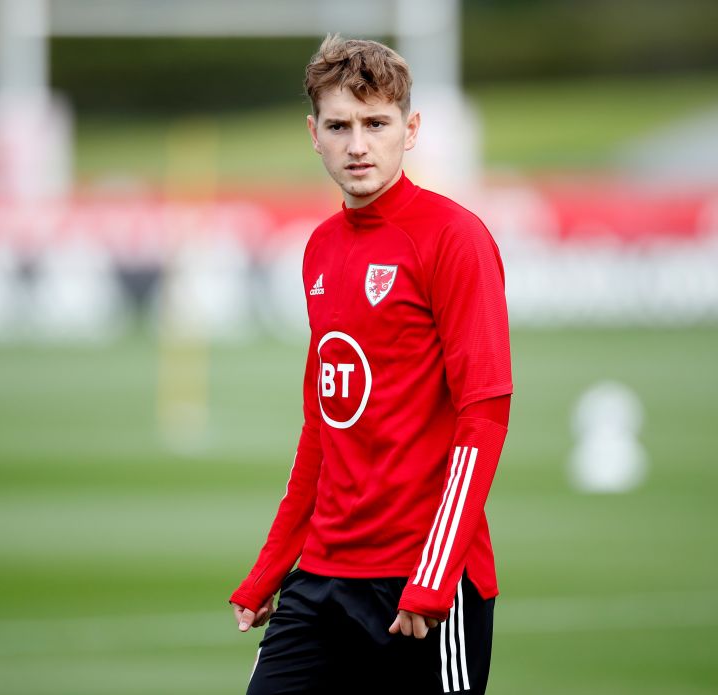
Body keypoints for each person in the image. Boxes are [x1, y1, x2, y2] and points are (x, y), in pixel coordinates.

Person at [229, 34, 512, 694]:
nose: (358, 145)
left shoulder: (454, 238)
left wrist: (434, 577)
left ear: (409, 129)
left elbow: (485, 415)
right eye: (340, 125)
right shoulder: (320, 249)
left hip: (420, 584)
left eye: (376, 123)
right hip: (321, 579)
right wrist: (271, 566)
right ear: (314, 133)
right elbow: (323, 428)